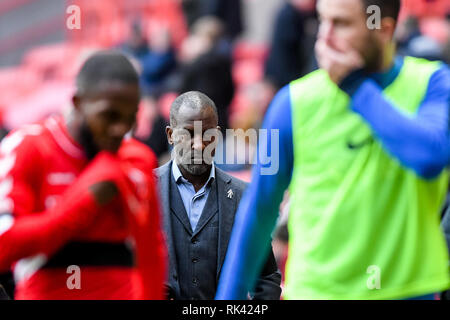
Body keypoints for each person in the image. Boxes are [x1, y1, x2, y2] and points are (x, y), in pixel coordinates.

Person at [216, 0, 450, 300]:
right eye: (321, 21)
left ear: (383, 29)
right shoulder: (292, 103)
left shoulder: (433, 83)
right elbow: (258, 212)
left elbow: (429, 157)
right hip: (316, 292)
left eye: (341, 24)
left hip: (408, 293)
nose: (324, 37)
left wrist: (354, 86)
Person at [0, 51, 167, 300]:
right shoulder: (29, 147)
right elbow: (4, 246)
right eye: (109, 115)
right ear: (78, 102)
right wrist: (82, 204)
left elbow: (151, 254)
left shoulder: (137, 159)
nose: (119, 129)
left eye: (129, 117)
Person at [154, 91, 281, 300]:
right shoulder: (146, 191)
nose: (199, 144)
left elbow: (265, 277)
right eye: (187, 133)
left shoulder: (243, 196)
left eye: (207, 135)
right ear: (170, 135)